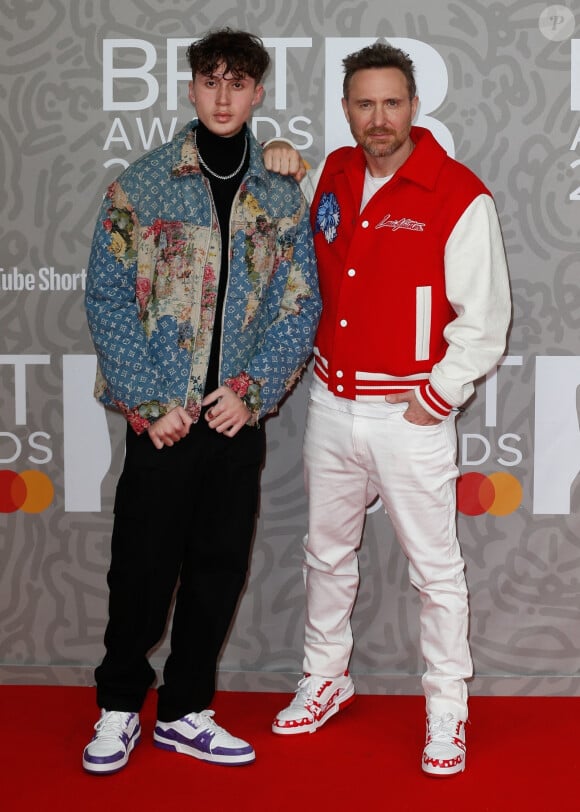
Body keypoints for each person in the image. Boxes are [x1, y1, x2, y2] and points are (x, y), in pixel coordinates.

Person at [264, 42, 511, 776]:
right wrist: (280, 152)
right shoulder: (333, 174)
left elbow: (485, 319)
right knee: (326, 556)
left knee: (436, 574)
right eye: (364, 104)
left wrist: (434, 399)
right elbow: (293, 206)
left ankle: (445, 714)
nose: (379, 118)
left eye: (392, 103)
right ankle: (326, 678)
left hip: (410, 419)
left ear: (414, 106)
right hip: (332, 406)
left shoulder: (458, 192)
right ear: (346, 109)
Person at [82, 28, 320, 774]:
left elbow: (299, 306)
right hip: (163, 426)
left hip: (233, 421)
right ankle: (120, 707)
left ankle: (186, 711)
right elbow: (108, 299)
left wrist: (249, 395)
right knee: (141, 570)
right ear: (190, 88)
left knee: (218, 569)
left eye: (238, 83)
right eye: (210, 80)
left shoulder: (281, 194)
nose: (223, 96)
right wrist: (152, 403)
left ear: (257, 93)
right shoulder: (141, 184)